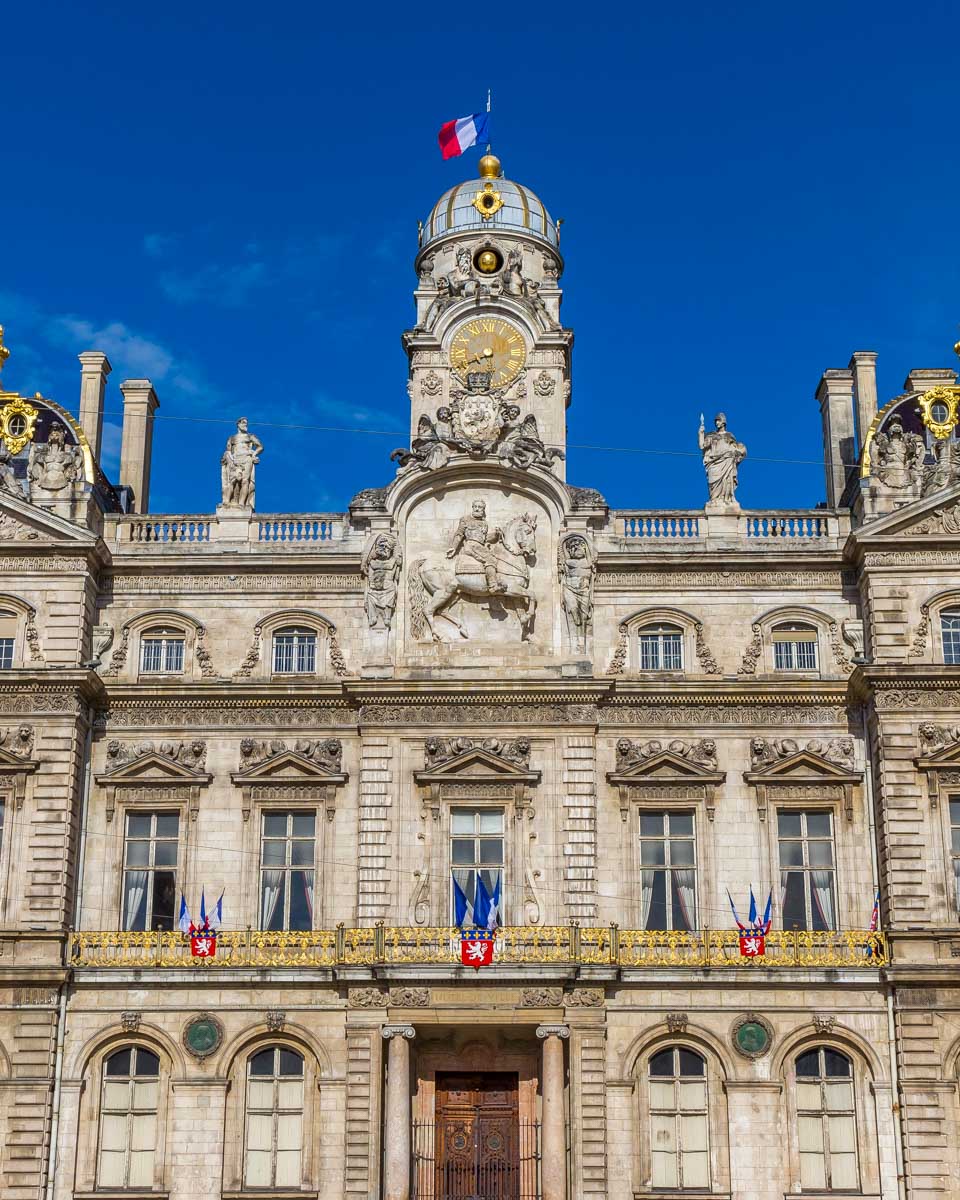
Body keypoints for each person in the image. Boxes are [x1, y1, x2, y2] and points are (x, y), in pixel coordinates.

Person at [446, 499, 505, 593]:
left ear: (483, 509)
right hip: (471, 545)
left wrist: (496, 534)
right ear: (472, 508)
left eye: (480, 507)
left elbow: (485, 538)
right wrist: (453, 547)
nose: (477, 509)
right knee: (490, 559)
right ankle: (493, 585)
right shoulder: (465, 519)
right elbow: (459, 534)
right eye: (475, 507)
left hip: (480, 546)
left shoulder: (484, 523)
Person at [699, 412, 746, 506]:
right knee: (713, 482)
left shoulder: (729, 436)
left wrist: (737, 452)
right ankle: (714, 500)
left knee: (727, 481)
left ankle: (727, 499)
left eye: (718, 421)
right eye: (716, 421)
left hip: (727, 461)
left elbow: (736, 449)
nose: (716, 423)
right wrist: (701, 433)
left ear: (723, 422)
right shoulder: (712, 435)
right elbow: (702, 446)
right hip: (714, 463)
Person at [220, 418, 263, 508]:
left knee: (245, 480)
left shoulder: (250, 436)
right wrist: (228, 459)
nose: (245, 425)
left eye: (246, 423)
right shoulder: (232, 438)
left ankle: (242, 504)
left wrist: (253, 454)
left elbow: (260, 447)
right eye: (243, 423)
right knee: (232, 480)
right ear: (238, 424)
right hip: (235, 460)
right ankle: (227, 501)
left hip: (247, 458)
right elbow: (229, 451)